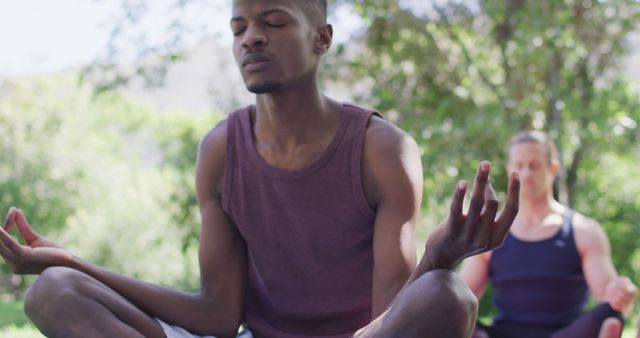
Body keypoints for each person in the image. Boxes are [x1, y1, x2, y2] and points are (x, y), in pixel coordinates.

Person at [0, 1, 520, 337]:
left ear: (322, 39)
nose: (250, 38)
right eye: (239, 27)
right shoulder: (221, 151)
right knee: (56, 289)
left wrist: (438, 257)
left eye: (273, 22)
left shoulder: (382, 149)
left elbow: (391, 313)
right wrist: (69, 261)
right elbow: (217, 315)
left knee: (446, 293)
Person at [461, 130, 637, 338]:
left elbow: (613, 300)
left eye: (534, 165)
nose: (526, 173)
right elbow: (460, 298)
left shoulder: (584, 231)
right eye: (519, 166)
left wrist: (622, 294)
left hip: (566, 334)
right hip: (502, 334)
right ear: (509, 170)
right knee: (450, 312)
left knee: (610, 314)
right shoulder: (490, 230)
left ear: (552, 168)